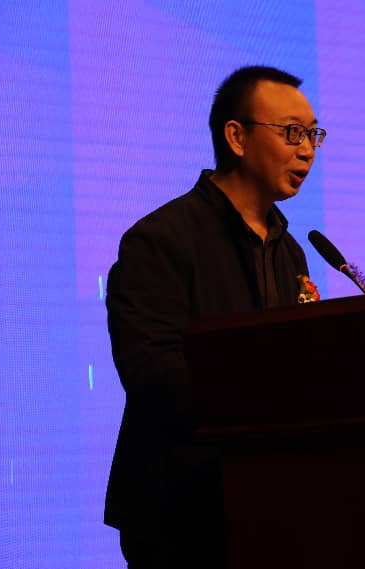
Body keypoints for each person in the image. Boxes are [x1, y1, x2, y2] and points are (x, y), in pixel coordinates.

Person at [104, 66, 325, 567]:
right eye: (292, 133)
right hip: (181, 514)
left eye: (313, 135)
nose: (307, 150)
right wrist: (266, 394)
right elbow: (151, 374)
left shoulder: (290, 250)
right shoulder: (160, 239)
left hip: (271, 506)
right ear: (237, 137)